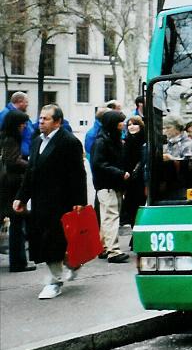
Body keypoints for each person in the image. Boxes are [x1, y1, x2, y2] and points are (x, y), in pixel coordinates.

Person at [13, 105, 87, 299]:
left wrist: (79, 200)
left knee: (55, 241)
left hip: (61, 202)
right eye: (40, 118)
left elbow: (78, 173)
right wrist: (21, 197)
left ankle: (55, 281)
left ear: (57, 122)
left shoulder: (69, 142)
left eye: (45, 119)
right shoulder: (37, 141)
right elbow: (30, 173)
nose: (41, 122)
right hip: (40, 202)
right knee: (45, 241)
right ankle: (66, 268)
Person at [91, 110, 130, 263]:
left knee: (108, 215)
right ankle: (113, 251)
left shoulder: (105, 139)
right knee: (111, 216)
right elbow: (99, 164)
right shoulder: (104, 141)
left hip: (107, 184)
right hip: (108, 184)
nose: (123, 125)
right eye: (120, 122)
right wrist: (120, 173)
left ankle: (104, 247)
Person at [1, 110, 35, 272]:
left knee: (16, 221)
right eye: (22, 124)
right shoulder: (10, 139)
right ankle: (18, 262)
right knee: (17, 222)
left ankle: (19, 261)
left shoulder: (5, 137)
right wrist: (32, 165)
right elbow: (12, 160)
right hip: (10, 186)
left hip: (7, 186)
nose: (24, 127)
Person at [121, 115, 146, 227]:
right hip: (129, 180)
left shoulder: (145, 140)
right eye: (129, 124)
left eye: (134, 124)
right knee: (131, 207)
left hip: (141, 179)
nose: (132, 127)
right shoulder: (126, 141)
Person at [0, 91, 36, 158]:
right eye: (26, 102)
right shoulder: (6, 114)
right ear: (20, 102)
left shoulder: (19, 114)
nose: (27, 104)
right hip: (19, 155)